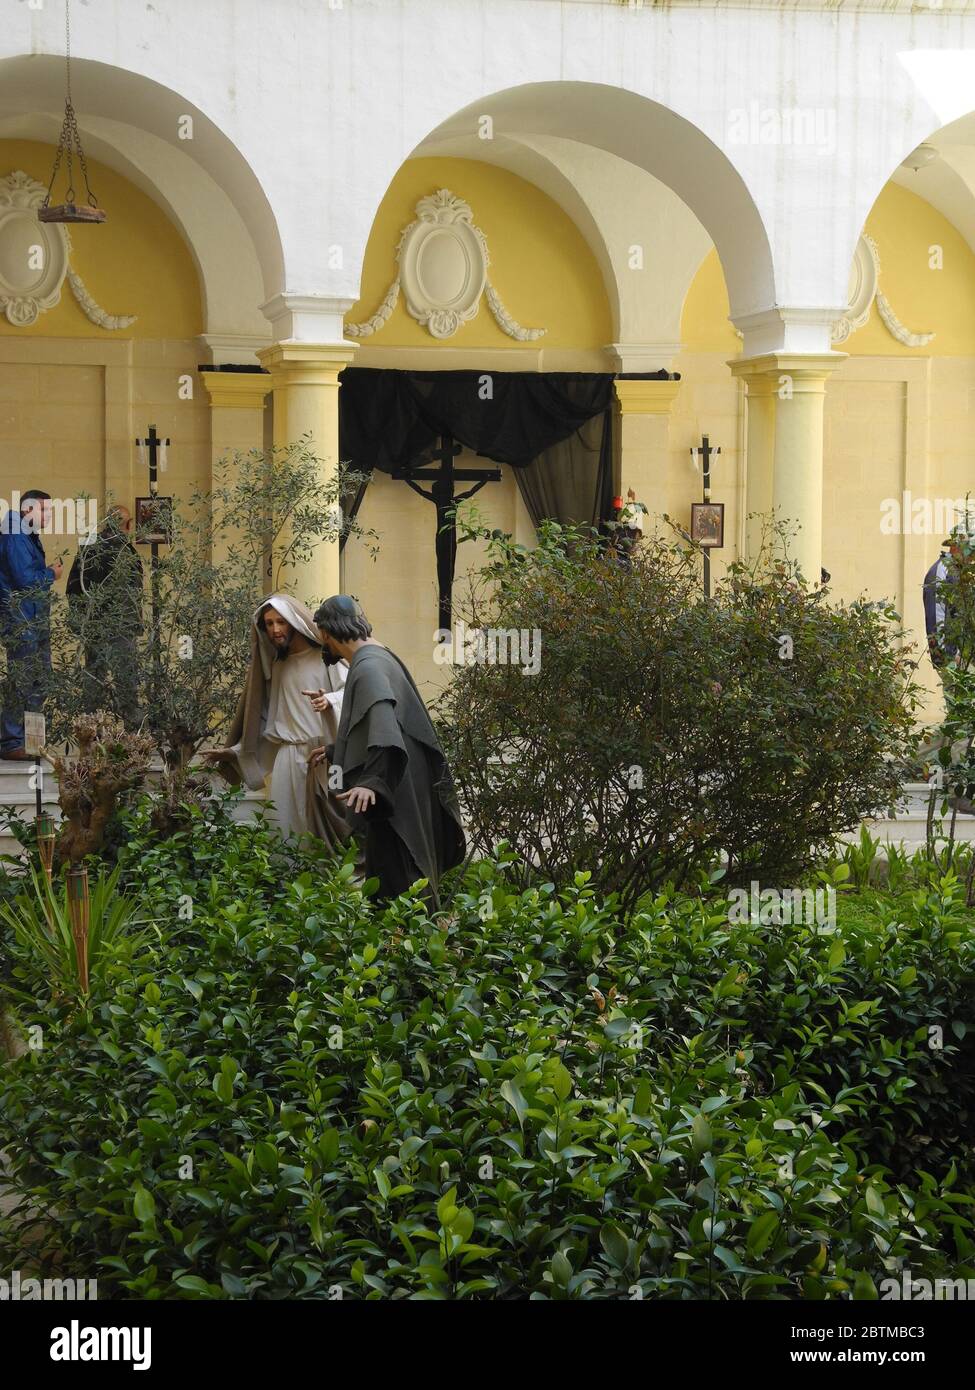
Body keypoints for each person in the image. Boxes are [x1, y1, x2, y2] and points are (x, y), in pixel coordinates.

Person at [306, 594, 466, 909]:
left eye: (320, 636)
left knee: (399, 870)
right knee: (403, 865)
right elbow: (393, 723)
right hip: (405, 780)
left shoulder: (367, 668)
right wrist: (338, 749)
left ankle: (409, 948)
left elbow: (381, 715)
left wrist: (372, 781)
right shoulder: (380, 655)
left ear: (327, 633)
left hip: (393, 792)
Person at [203, 593, 351, 847]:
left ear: (294, 622)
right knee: (284, 830)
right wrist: (237, 753)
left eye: (281, 622)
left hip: (322, 756)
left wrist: (330, 700)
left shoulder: (326, 657)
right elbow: (271, 724)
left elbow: (351, 691)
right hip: (286, 760)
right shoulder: (277, 666)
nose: (275, 629)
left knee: (323, 833)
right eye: (269, 624)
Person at [66, 504, 144, 727]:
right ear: (128, 525)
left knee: (94, 678)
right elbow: (133, 591)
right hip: (121, 625)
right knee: (126, 680)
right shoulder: (124, 550)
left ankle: (90, 731)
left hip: (94, 625)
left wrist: (81, 622)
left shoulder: (88, 548)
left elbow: (73, 587)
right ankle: (133, 735)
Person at [0, 490, 62, 761]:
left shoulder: (26, 535)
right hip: (21, 618)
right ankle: (12, 741)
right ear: (27, 510)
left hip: (33, 617)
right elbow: (24, 580)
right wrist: (51, 573)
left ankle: (30, 739)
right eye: (44, 510)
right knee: (22, 679)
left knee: (42, 679)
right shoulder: (14, 534)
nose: (49, 516)